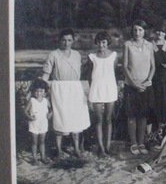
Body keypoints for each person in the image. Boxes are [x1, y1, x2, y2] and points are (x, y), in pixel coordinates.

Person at [42, 29, 91, 159]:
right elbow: (46, 74)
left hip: (75, 89)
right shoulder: (53, 54)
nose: (66, 43)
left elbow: (82, 73)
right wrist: (40, 88)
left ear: (73, 40)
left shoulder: (77, 55)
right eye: (64, 40)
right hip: (59, 89)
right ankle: (58, 150)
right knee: (60, 118)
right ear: (59, 40)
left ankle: (76, 149)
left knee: (76, 119)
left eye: (69, 40)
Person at [123, 20, 156, 155]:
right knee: (132, 115)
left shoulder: (149, 45)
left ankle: (141, 142)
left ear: (144, 31)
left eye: (140, 30)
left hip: (145, 86)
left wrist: (148, 80)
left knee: (143, 116)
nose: (137, 33)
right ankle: (133, 143)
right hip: (131, 85)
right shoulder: (127, 45)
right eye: (135, 30)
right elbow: (125, 67)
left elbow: (153, 66)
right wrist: (134, 84)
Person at [86, 31, 118, 157]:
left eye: (104, 42)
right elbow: (89, 76)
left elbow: (112, 72)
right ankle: (101, 148)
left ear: (107, 43)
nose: (101, 45)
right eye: (99, 42)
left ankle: (108, 146)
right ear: (96, 43)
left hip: (110, 89)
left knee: (109, 119)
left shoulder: (114, 55)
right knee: (99, 119)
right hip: (96, 89)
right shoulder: (91, 57)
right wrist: (93, 87)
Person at [24, 78, 52, 164]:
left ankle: (43, 157)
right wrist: (29, 117)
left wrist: (50, 114)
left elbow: (51, 109)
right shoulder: (31, 100)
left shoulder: (46, 101)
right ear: (33, 91)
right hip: (34, 123)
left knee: (42, 141)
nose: (38, 93)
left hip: (43, 123)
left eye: (41, 91)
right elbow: (25, 111)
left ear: (44, 92)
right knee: (34, 142)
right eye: (36, 91)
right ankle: (34, 158)